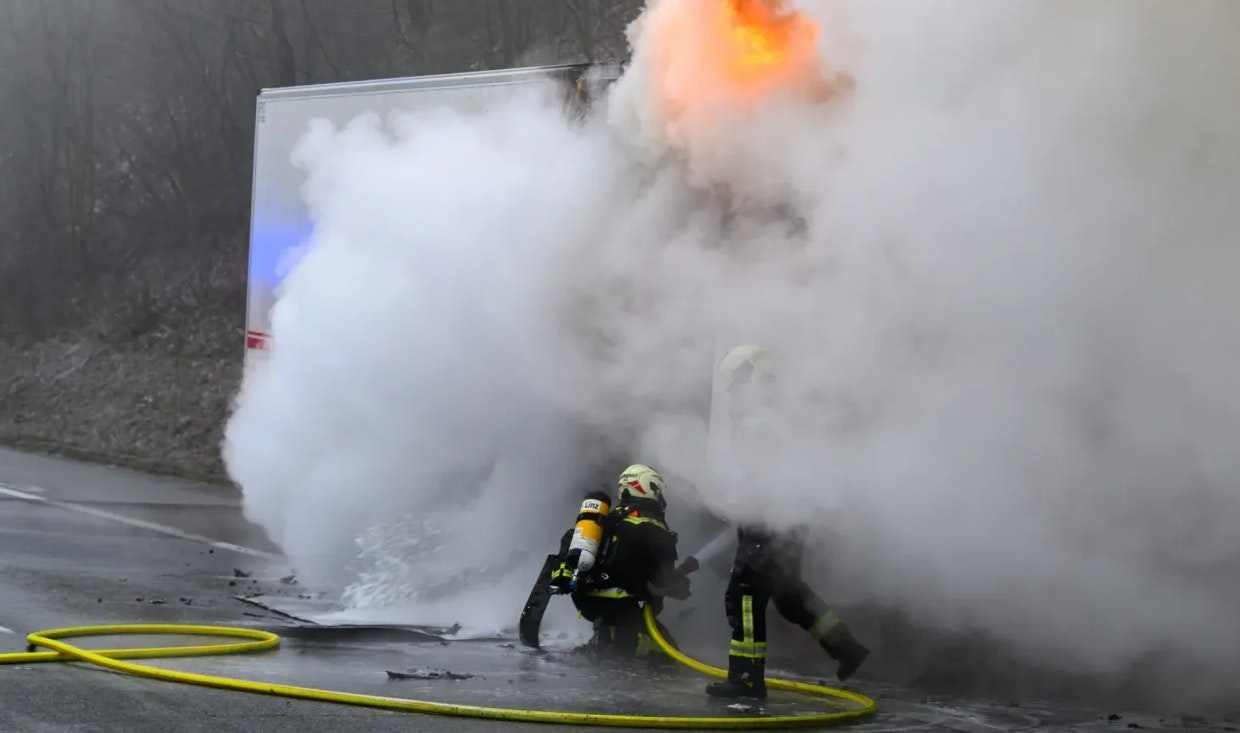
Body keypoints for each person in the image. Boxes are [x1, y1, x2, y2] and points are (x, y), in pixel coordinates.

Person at [704, 344, 870, 700]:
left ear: (754, 381)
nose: (731, 391)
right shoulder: (774, 418)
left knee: (744, 595)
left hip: (767, 527)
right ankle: (846, 648)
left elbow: (756, 481)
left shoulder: (759, 424)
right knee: (790, 595)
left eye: (736, 383)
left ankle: (746, 679)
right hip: (786, 527)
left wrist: (732, 499)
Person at [550, 463, 692, 660]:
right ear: (649, 487)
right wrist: (677, 587)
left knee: (649, 640)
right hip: (621, 606)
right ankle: (610, 643)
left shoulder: (607, 519)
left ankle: (607, 639)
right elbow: (661, 583)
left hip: (588, 602)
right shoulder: (653, 526)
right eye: (658, 490)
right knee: (667, 654)